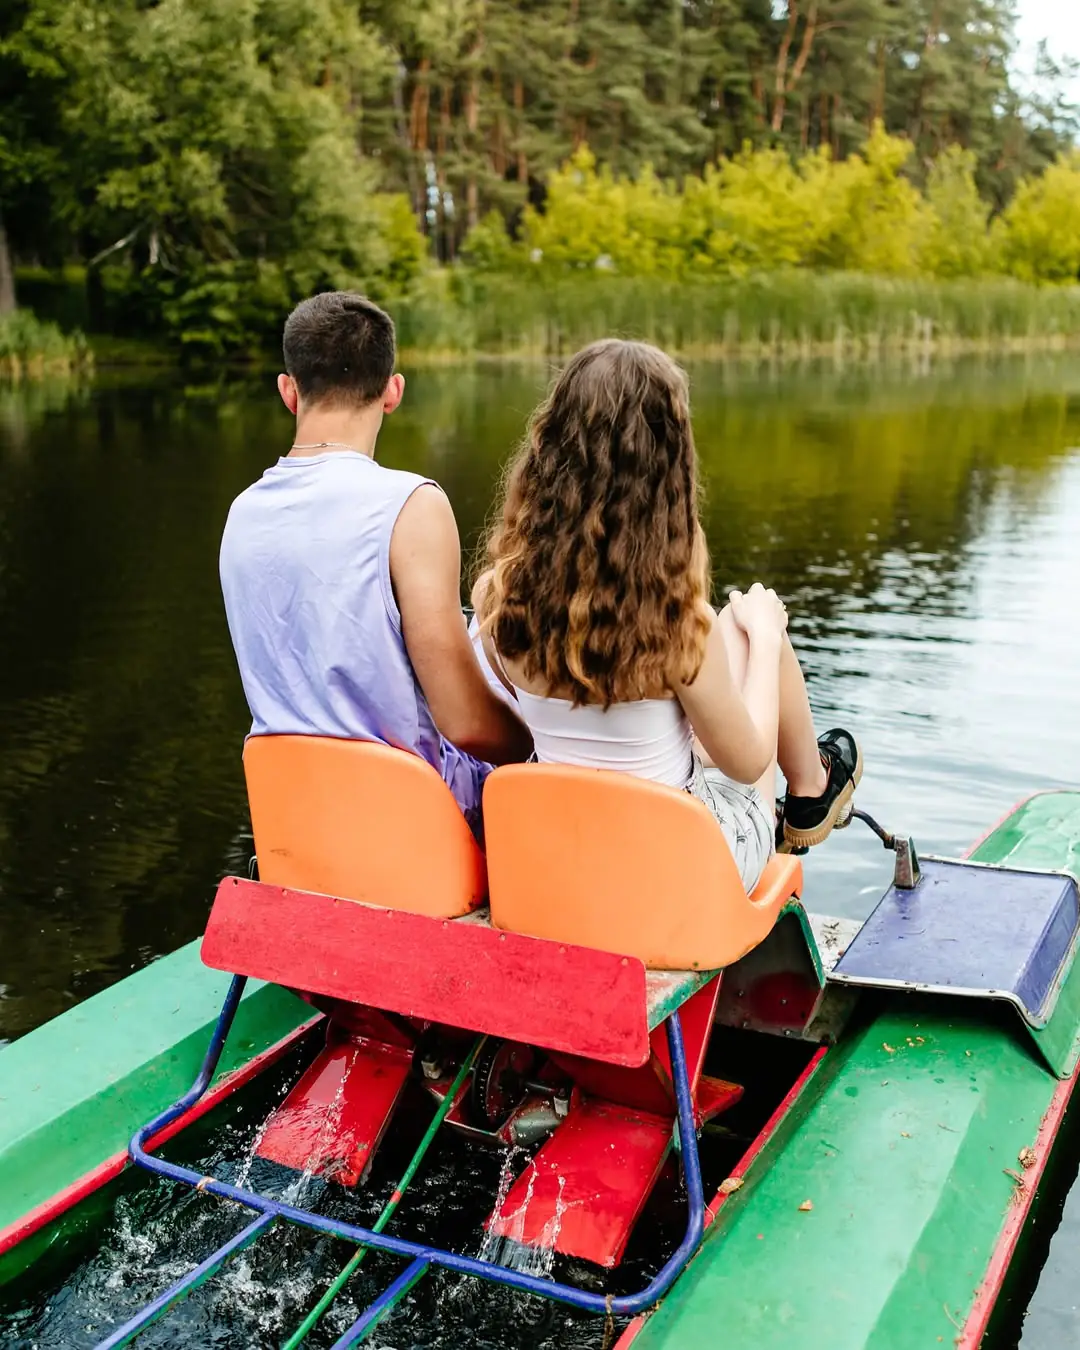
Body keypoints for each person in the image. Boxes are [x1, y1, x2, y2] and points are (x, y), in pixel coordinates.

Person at [473, 338, 861, 890]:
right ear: (666, 466)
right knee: (751, 624)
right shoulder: (678, 624)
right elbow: (749, 765)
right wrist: (770, 637)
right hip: (673, 874)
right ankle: (810, 792)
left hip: (556, 852)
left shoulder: (497, 594)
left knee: (722, 654)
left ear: (550, 449)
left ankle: (807, 787)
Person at [219, 292, 532, 839]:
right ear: (393, 391)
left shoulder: (242, 512)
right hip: (414, 824)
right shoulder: (411, 505)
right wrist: (539, 744)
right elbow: (467, 724)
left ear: (289, 392)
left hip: (296, 818)